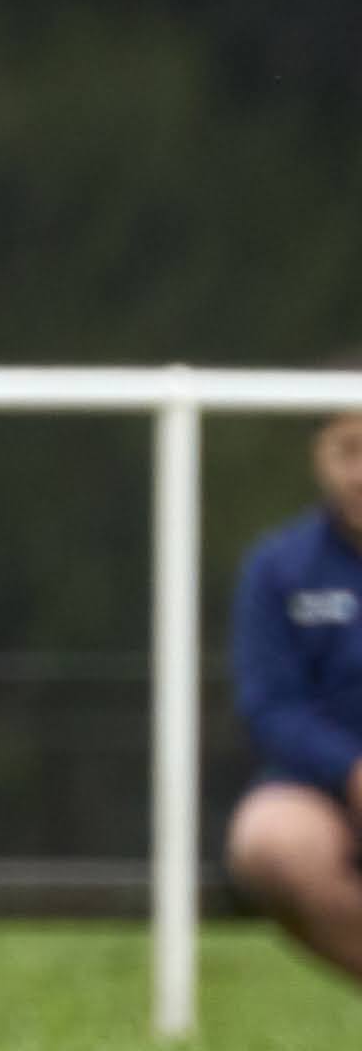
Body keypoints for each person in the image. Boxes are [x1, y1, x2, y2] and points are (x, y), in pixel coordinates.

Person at [222, 402, 362, 985]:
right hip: (318, 785)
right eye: (349, 451)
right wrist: (350, 770)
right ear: (318, 457)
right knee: (270, 842)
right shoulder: (278, 566)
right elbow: (269, 705)